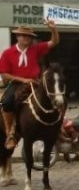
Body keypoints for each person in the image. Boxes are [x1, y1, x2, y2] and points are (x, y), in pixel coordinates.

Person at [0, 21, 59, 149]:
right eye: (23, 35)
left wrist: (53, 29)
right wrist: (22, 80)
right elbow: (4, 75)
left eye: (29, 36)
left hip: (35, 83)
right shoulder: (7, 53)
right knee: (7, 102)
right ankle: (10, 134)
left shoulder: (36, 49)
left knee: (54, 98)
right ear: (17, 37)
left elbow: (54, 42)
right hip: (16, 84)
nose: (26, 38)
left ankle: (58, 129)